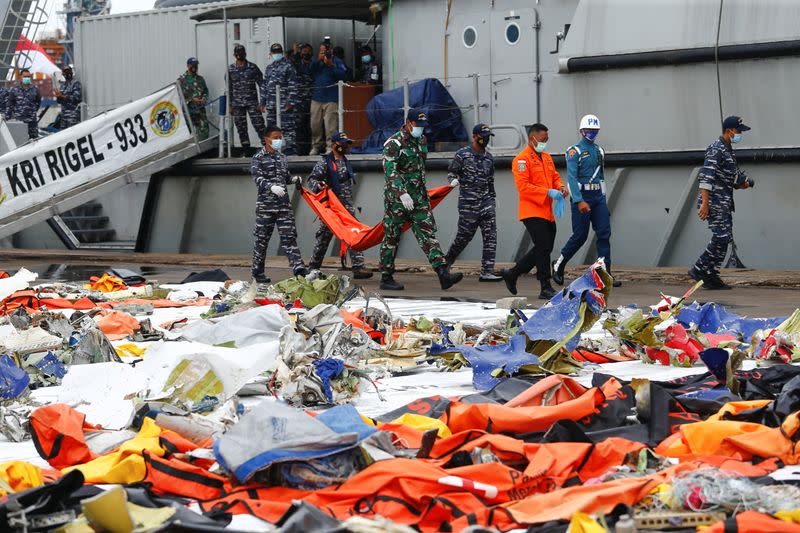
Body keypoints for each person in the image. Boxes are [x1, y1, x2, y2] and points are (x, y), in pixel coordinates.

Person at [379, 109, 463, 291]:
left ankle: (443, 274)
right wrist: (402, 193)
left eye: (423, 126)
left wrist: (418, 194)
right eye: (418, 125)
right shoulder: (394, 143)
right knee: (392, 236)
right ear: (409, 123)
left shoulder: (421, 140)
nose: (421, 129)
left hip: (418, 198)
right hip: (397, 200)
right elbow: (390, 171)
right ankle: (386, 276)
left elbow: (420, 170)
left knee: (428, 234)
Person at [552, 114, 622, 288]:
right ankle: (559, 263)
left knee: (604, 235)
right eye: (589, 130)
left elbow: (601, 177)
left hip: (598, 197)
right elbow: (572, 178)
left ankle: (605, 275)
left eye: (594, 130)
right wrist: (579, 200)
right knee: (580, 236)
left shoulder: (599, 150)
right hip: (582, 198)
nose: (591, 133)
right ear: (581, 130)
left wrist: (603, 201)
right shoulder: (573, 151)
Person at [501, 124, 568, 299]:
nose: (545, 142)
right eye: (543, 139)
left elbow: (554, 177)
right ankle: (545, 286)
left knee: (544, 247)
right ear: (533, 138)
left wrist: (560, 188)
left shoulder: (546, 157)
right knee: (543, 247)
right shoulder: (521, 160)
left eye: (547, 140)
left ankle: (513, 273)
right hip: (531, 210)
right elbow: (524, 187)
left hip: (546, 211)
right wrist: (547, 192)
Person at [688, 116, 753, 290]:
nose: (740, 134)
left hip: (723, 202)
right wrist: (705, 204)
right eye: (738, 131)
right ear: (729, 130)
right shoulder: (716, 149)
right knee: (721, 237)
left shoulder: (728, 150)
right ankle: (700, 268)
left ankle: (711, 275)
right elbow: (706, 176)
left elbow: (729, 179)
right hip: (714, 201)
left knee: (725, 239)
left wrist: (742, 184)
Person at [306, 131, 373, 279]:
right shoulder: (325, 161)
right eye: (342, 144)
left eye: (347, 144)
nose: (345, 146)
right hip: (332, 208)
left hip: (347, 207)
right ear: (334, 144)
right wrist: (320, 185)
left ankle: (358, 267)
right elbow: (311, 180)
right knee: (323, 238)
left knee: (353, 235)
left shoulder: (345, 161)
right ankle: (313, 267)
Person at [444, 124, 501, 282]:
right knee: (464, 237)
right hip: (468, 203)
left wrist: (493, 196)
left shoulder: (489, 158)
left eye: (488, 136)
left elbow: (490, 180)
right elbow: (451, 172)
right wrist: (453, 181)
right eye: (484, 136)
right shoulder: (462, 154)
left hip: (486, 202)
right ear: (475, 136)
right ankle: (446, 263)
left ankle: (487, 271)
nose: (486, 139)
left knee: (491, 235)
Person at [251, 126, 307, 283]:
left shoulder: (282, 157)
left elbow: (285, 177)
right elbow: (258, 179)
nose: (278, 140)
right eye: (275, 137)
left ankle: (298, 268)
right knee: (261, 240)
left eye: (280, 137)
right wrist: (271, 187)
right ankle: (257, 272)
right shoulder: (258, 158)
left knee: (289, 237)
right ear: (266, 139)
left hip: (283, 206)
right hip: (266, 207)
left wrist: (294, 180)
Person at [309, 41, 347, 155]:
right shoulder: (317, 62)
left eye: (326, 51)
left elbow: (343, 75)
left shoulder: (337, 61)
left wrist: (331, 65)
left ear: (331, 50)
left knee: (330, 126)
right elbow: (309, 70)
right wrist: (318, 60)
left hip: (331, 98)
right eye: (322, 51)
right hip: (317, 97)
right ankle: (316, 146)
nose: (324, 52)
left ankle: (330, 147)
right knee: (315, 124)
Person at [260, 43, 299, 154]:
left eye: (278, 52)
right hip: (271, 104)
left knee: (288, 128)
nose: (276, 54)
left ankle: (290, 151)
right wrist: (262, 102)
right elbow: (265, 85)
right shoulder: (269, 68)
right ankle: (276, 151)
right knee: (273, 129)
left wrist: (291, 101)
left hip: (284, 104)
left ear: (282, 53)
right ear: (271, 54)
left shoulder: (288, 66)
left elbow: (293, 85)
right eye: (274, 52)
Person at [228, 44, 266, 153]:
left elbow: (262, 84)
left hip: (252, 103)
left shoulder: (253, 67)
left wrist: (262, 101)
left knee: (259, 125)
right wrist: (230, 105)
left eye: (241, 52)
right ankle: (247, 151)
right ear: (234, 55)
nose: (239, 55)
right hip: (237, 104)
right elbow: (229, 88)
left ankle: (268, 148)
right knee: (241, 128)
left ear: (245, 53)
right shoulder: (230, 69)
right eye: (237, 53)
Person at [291, 43, 315, 155]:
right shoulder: (296, 64)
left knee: (313, 126)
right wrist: (295, 53)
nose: (306, 54)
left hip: (313, 99)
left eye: (308, 51)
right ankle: (301, 151)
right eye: (303, 52)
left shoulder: (314, 64)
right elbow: (289, 64)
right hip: (299, 101)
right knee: (299, 127)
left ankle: (313, 148)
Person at [177, 57, 209, 140]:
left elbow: (205, 90)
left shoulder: (200, 79)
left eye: (196, 65)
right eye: (192, 65)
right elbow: (179, 94)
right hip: (188, 111)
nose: (194, 67)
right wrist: (192, 99)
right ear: (188, 65)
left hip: (200, 110)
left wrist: (204, 99)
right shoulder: (181, 80)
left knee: (204, 131)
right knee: (187, 133)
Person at [7, 69, 41, 139]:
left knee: (34, 140)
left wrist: (32, 111)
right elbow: (10, 104)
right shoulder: (14, 89)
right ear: (20, 77)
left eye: (28, 77)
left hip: (32, 121)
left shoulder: (35, 89)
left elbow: (38, 103)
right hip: (19, 121)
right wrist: (9, 116)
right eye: (25, 77)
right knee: (20, 139)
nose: (27, 78)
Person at [54, 64, 82, 130]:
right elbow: (59, 101)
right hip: (63, 116)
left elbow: (76, 98)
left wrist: (63, 96)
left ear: (71, 72)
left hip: (73, 116)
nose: (66, 73)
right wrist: (58, 96)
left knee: (73, 134)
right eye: (65, 72)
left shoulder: (76, 83)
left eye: (68, 71)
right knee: (63, 135)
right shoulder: (63, 85)